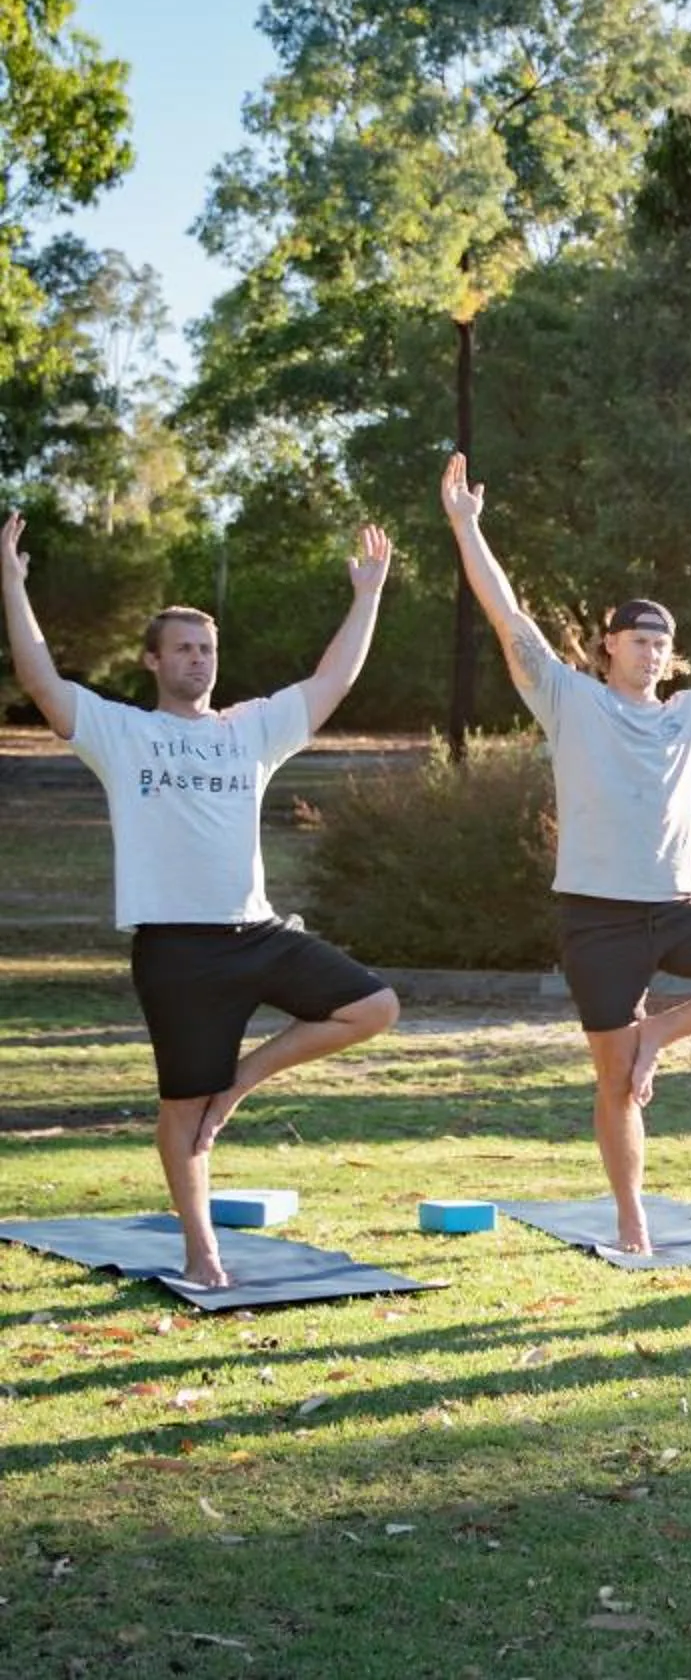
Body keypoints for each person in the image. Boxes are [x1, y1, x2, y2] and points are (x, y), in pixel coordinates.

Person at [439, 453, 691, 1256]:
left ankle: (662, 1034)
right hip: (596, 919)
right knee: (615, 1084)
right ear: (606, 647)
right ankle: (631, 1222)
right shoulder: (567, 699)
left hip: (675, 908)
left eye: (663, 642)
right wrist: (467, 527)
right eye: (637, 639)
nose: (652, 651)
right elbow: (510, 618)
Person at [3, 510, 402, 1288]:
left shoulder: (248, 729)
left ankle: (240, 1083)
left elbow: (333, 682)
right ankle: (202, 1253)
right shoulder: (121, 733)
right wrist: (13, 587)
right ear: (153, 660)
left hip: (258, 933)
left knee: (374, 1006)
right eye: (183, 648)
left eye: (207, 648)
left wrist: (369, 594)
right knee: (185, 1114)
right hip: (176, 950)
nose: (198, 659)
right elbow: (42, 683)